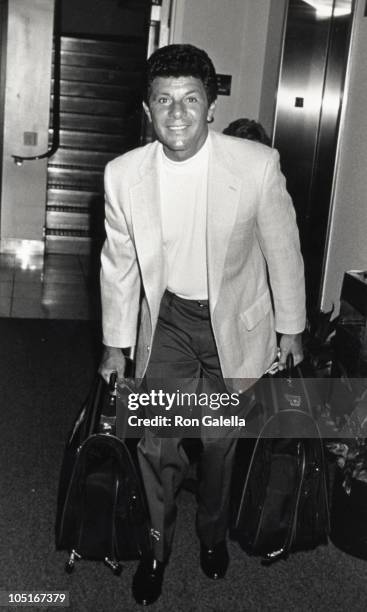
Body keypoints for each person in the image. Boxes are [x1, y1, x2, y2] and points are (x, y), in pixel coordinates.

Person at [99, 43, 306, 606]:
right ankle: (155, 549)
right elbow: (119, 265)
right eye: (163, 100)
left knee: (219, 446)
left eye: (191, 99)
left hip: (233, 325)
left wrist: (291, 330)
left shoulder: (255, 166)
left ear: (211, 106)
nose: (177, 114)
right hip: (166, 322)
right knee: (156, 446)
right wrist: (116, 346)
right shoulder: (123, 176)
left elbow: (283, 250)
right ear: (147, 108)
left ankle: (212, 536)